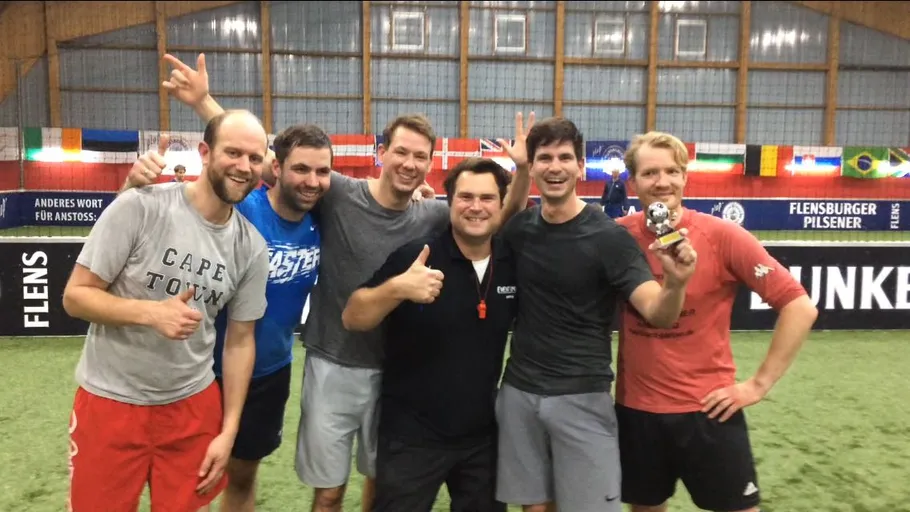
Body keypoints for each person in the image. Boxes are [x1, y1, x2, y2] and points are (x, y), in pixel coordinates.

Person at [158, 52, 533, 512]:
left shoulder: (435, 214)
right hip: (333, 363)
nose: (409, 163)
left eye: (420, 156)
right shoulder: (339, 193)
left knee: (381, 484)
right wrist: (204, 104)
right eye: (401, 152)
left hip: (396, 373)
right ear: (381, 153)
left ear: (431, 163)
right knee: (330, 491)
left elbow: (499, 214)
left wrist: (524, 171)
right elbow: (271, 159)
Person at [62, 109, 271, 512]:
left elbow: (240, 342)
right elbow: (76, 296)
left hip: (192, 409)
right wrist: (151, 313)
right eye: (233, 153)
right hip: (110, 403)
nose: (244, 167)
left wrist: (228, 432)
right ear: (205, 152)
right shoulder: (139, 207)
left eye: (255, 158)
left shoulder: (251, 248)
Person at [493, 117, 698, 512]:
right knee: (535, 508)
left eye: (565, 158)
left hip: (582, 397)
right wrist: (517, 170)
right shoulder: (521, 230)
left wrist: (675, 284)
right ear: (533, 167)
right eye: (545, 158)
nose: (555, 167)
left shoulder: (609, 238)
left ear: (581, 167)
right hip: (519, 393)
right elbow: (499, 228)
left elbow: (657, 312)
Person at [125, 123, 333, 511]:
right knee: (189, 481)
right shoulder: (243, 206)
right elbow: (231, 158)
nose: (312, 180)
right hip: (201, 370)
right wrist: (133, 184)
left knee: (240, 477)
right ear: (277, 167)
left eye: (323, 172)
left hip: (269, 372)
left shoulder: (323, 218)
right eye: (301, 169)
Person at [614, 131, 818, 512]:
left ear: (685, 178)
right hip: (636, 411)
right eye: (650, 173)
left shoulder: (722, 236)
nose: (662, 181)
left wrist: (758, 385)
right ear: (632, 182)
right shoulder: (617, 238)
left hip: (708, 410)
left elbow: (799, 306)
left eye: (672, 171)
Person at [341, 157, 527, 512]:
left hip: (482, 438)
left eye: (487, 198)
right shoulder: (418, 257)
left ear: (501, 205)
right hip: (411, 436)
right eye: (465, 197)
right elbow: (353, 316)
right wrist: (396, 288)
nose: (475, 207)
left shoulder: (513, 261)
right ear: (449, 202)